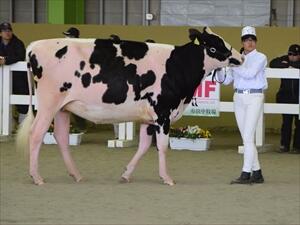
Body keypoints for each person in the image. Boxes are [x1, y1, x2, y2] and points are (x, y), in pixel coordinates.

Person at [217, 26, 267, 184]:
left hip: (254, 96)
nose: (250, 43)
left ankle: (246, 173)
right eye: (246, 40)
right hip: (238, 96)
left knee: (247, 136)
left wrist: (232, 64)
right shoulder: (237, 59)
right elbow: (226, 81)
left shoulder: (260, 57)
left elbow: (250, 73)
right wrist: (219, 67)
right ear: (242, 42)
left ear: (255, 42)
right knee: (247, 137)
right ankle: (257, 172)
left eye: (252, 40)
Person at [270, 44, 300, 154]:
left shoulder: (287, 61)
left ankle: (297, 147)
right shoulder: (284, 59)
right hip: (285, 96)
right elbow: (273, 63)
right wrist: (289, 64)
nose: (292, 56)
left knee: (299, 123)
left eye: (295, 55)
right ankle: (284, 145)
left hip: (298, 97)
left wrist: (289, 65)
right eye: (290, 54)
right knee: (286, 122)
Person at [0, 22, 28, 123]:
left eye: (9, 30)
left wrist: (6, 61)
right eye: (5, 30)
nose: (7, 33)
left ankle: (22, 126)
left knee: (22, 101)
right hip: (2, 78)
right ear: (1, 33)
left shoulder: (18, 43)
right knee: (3, 101)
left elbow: (20, 56)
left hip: (18, 78)